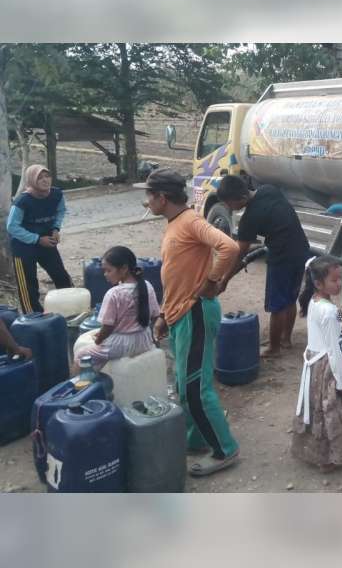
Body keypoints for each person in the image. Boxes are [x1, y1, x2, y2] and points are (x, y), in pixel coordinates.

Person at [136, 168, 240, 477]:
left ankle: (225, 449)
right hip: (181, 313)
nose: (146, 202)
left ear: (162, 197)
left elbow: (229, 247)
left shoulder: (191, 221)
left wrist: (212, 281)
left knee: (196, 389)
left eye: (148, 196)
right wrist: (165, 316)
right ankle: (197, 439)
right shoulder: (175, 223)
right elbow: (176, 276)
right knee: (184, 385)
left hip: (195, 312)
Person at [216, 175, 311, 357]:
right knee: (290, 298)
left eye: (229, 203)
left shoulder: (250, 218)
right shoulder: (269, 189)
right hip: (301, 250)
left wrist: (225, 279)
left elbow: (239, 254)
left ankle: (273, 348)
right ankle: (285, 339)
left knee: (276, 305)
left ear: (241, 198)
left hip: (282, 257)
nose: (229, 207)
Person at [291, 255, 342, 472]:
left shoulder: (314, 301)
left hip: (314, 364)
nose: (339, 284)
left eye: (340, 279)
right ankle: (333, 456)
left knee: (318, 409)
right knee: (334, 410)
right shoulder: (330, 312)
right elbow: (336, 348)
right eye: (335, 280)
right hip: (329, 366)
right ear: (319, 283)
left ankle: (320, 454)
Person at [74, 246, 160, 371]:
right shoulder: (147, 285)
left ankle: (82, 387)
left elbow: (107, 327)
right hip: (144, 339)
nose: (105, 275)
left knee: (82, 355)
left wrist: (98, 339)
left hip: (120, 345)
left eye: (108, 271)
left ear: (124, 268)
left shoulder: (114, 293)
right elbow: (155, 316)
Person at [6, 164, 73, 313]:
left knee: (61, 276)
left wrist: (56, 228)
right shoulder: (22, 201)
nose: (45, 180)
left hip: (46, 242)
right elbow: (12, 227)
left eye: (47, 176)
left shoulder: (56, 194)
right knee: (28, 285)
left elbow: (61, 211)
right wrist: (37, 239)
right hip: (23, 246)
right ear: (31, 180)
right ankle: (33, 317)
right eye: (40, 177)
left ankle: (71, 308)